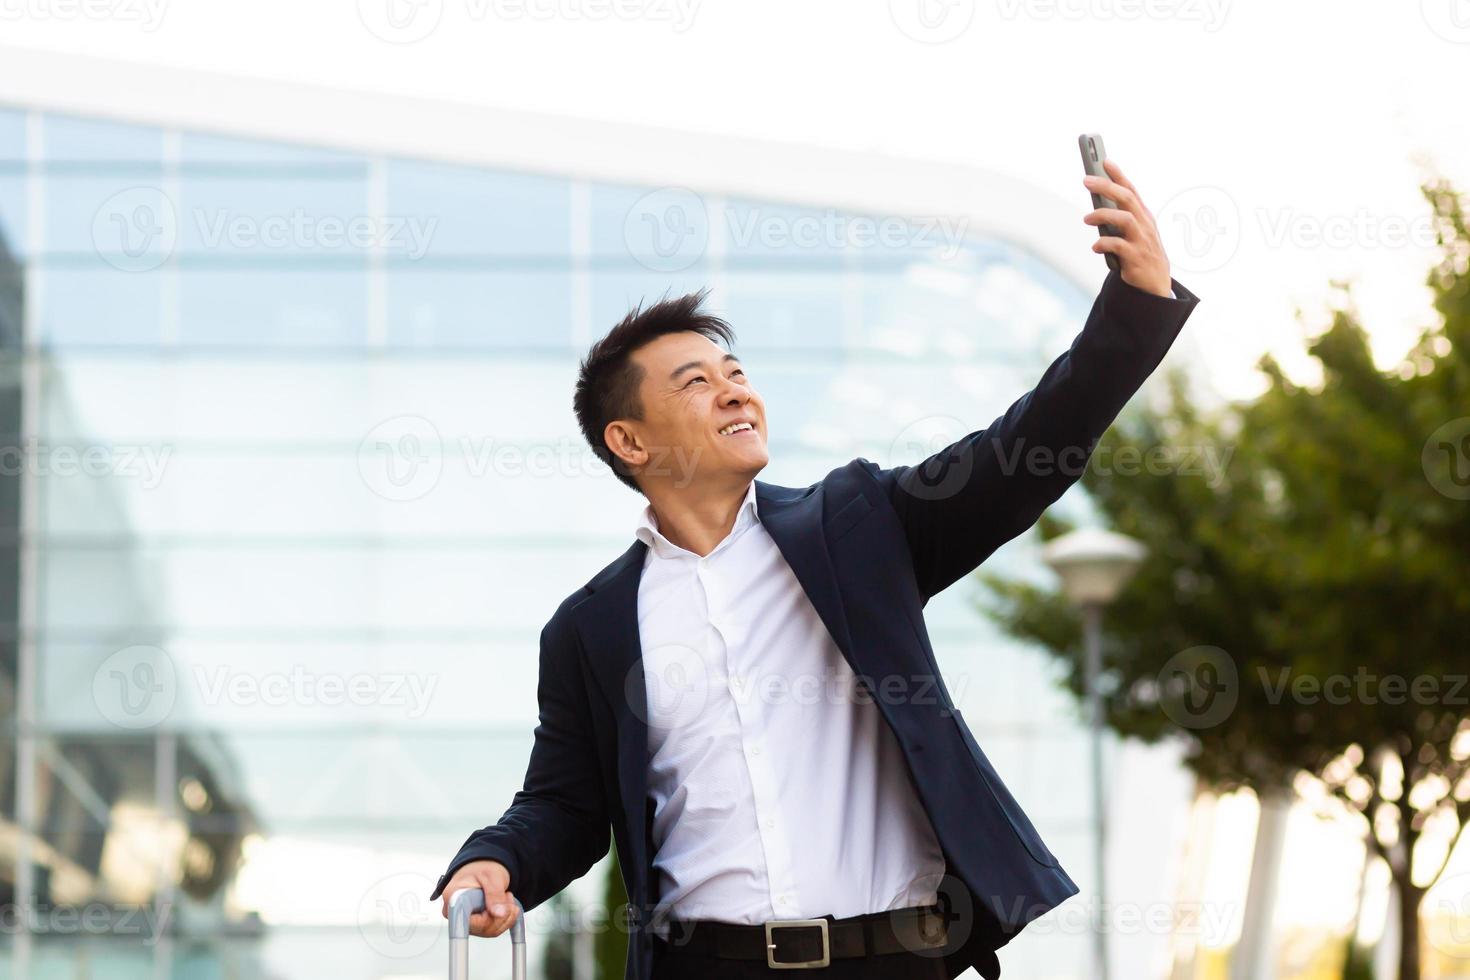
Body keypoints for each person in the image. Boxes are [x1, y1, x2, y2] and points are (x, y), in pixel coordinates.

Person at [432, 158, 1200, 978]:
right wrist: (496, 860)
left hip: (895, 956)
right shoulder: (590, 627)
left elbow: (1021, 456)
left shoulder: (856, 527)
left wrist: (1132, 309)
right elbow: (565, 805)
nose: (736, 394)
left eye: (737, 375)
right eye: (697, 384)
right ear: (630, 441)